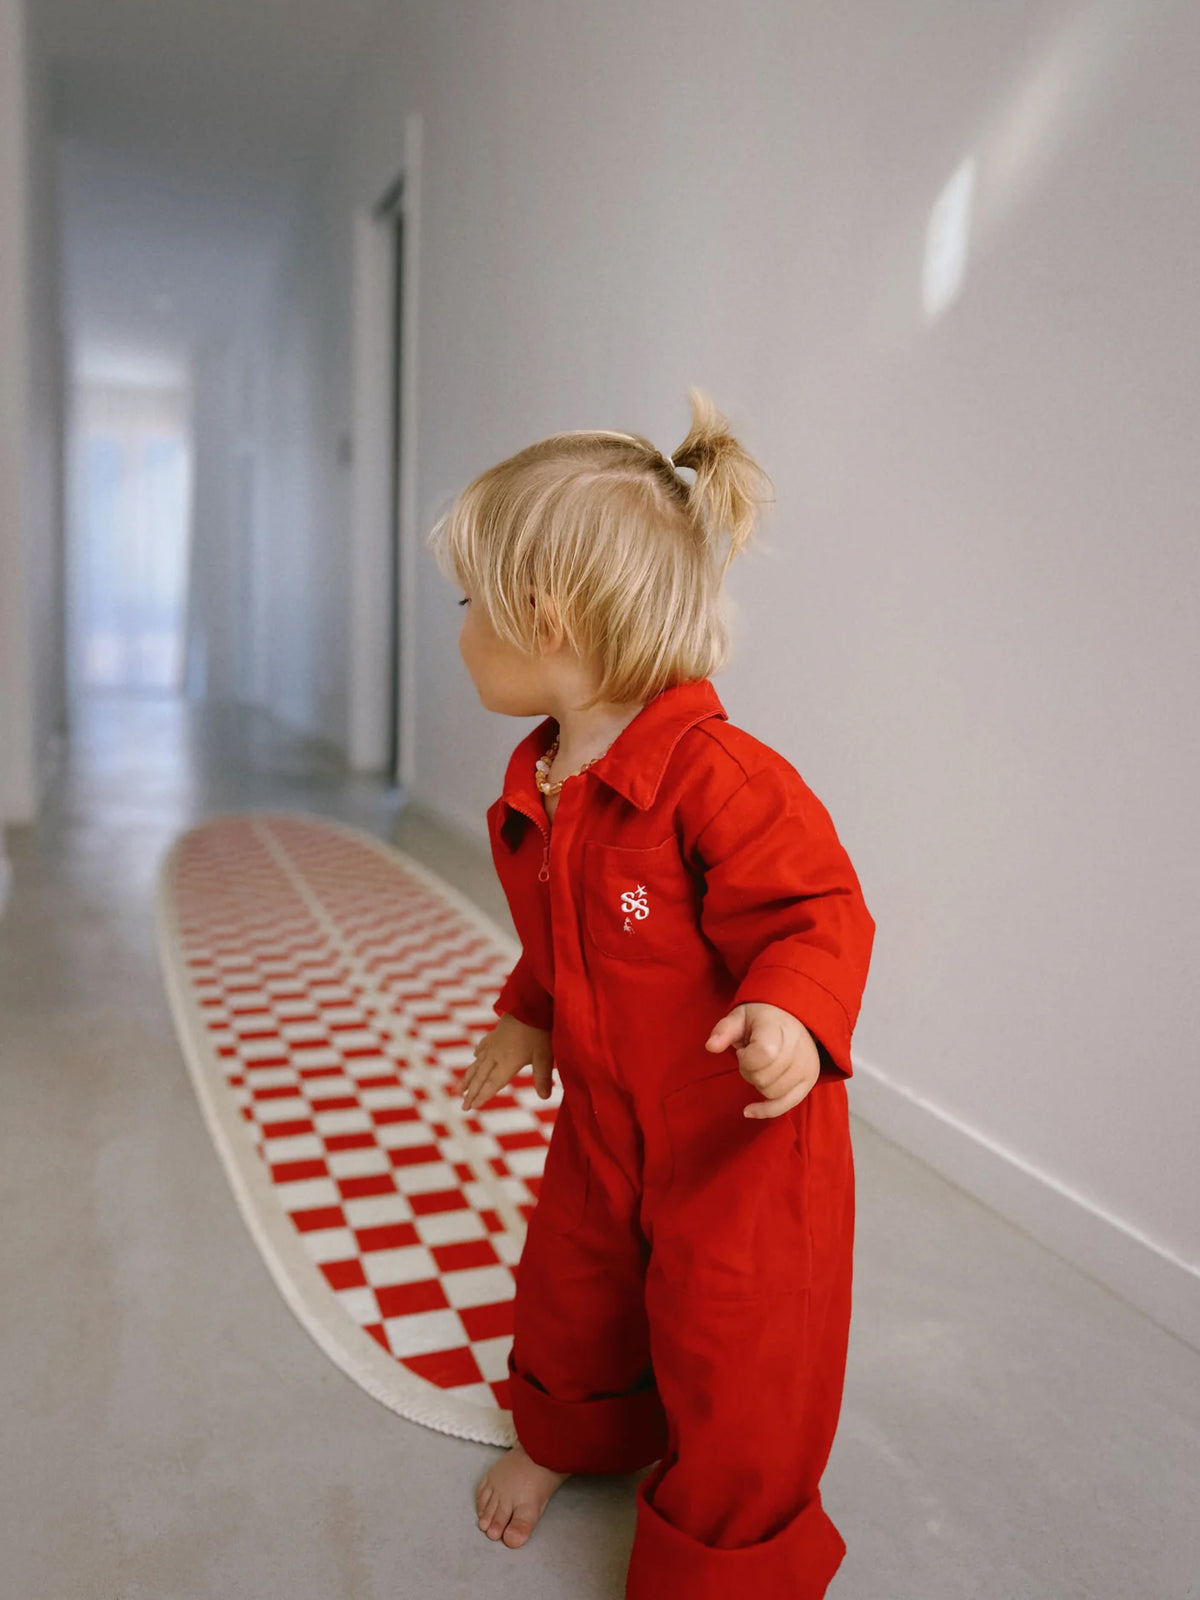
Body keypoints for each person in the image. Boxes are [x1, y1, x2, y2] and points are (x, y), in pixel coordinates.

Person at [426, 390, 876, 1600]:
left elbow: (817, 909)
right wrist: (529, 1011)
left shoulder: (721, 778)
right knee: (573, 1284)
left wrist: (792, 1013)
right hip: (608, 1113)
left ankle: (724, 1568)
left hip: (739, 1142)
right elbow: (567, 933)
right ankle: (569, 1434)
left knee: (742, 1359)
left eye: (469, 605)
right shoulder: (547, 771)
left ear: (545, 617)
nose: (459, 631)